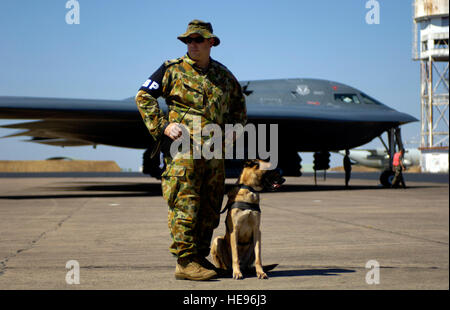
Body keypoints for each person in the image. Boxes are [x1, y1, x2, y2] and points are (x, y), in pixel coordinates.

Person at [135, 20, 247, 281]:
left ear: (211, 42)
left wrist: (234, 130)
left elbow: (238, 108)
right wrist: (163, 125)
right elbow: (143, 97)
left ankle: (198, 257)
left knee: (210, 206)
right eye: (188, 40)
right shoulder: (171, 69)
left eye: (197, 40)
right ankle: (184, 262)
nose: (192, 44)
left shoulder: (223, 75)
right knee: (185, 204)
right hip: (183, 152)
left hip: (213, 152)